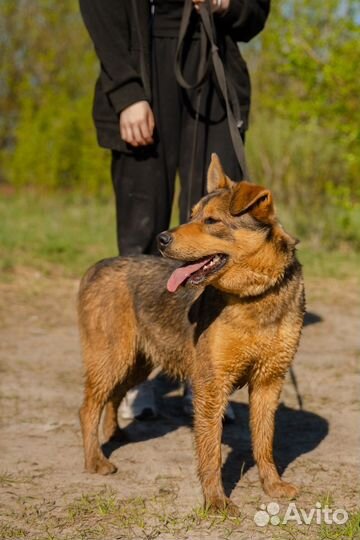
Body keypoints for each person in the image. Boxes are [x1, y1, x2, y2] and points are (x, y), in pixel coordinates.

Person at [79, 0, 271, 419]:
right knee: (142, 226)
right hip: (142, 66)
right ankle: (137, 372)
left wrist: (229, 4)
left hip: (213, 66)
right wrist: (126, 92)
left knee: (215, 229)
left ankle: (206, 373)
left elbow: (255, 14)